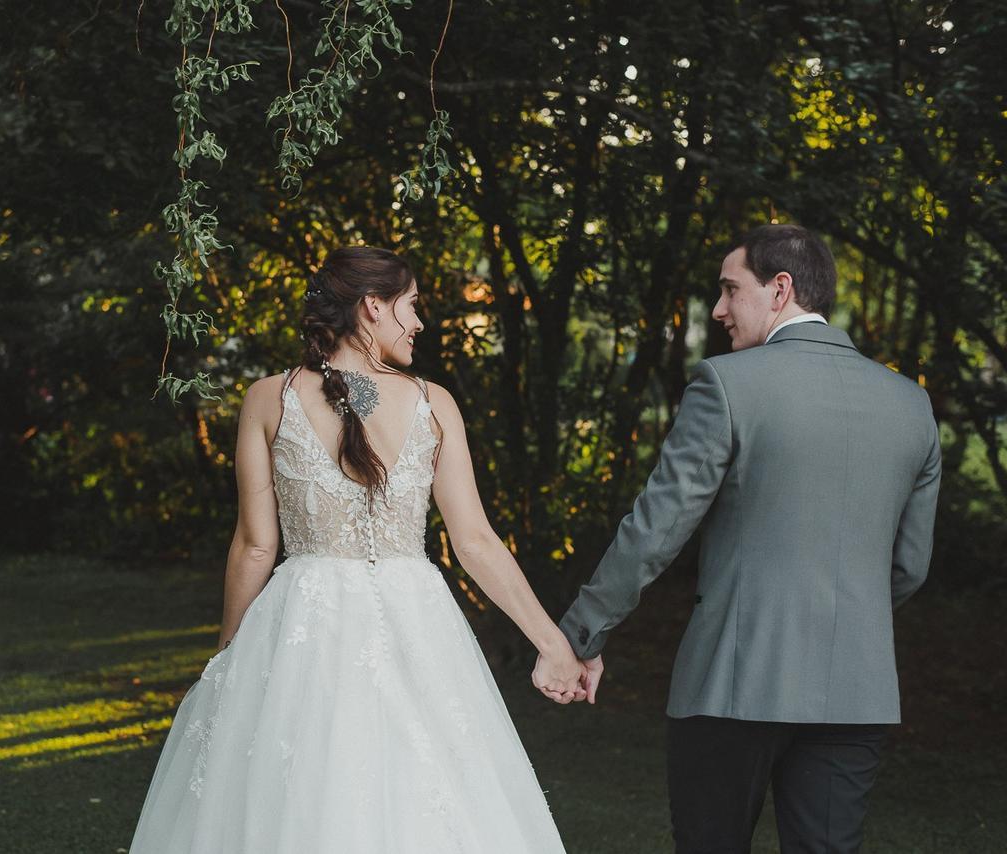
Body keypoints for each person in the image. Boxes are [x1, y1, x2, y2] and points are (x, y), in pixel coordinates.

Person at [129, 246, 577, 853]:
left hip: (302, 624)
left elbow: (257, 546)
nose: (419, 323)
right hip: (416, 616)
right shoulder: (433, 403)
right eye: (411, 306)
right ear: (373, 307)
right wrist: (552, 644)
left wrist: (229, 656)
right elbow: (473, 541)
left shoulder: (268, 399)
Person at [557, 223, 941, 853]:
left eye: (730, 289)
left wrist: (580, 634)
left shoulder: (727, 385)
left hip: (733, 684)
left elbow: (656, 529)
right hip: (856, 689)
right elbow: (910, 565)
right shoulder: (910, 404)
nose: (718, 309)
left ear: (779, 290)